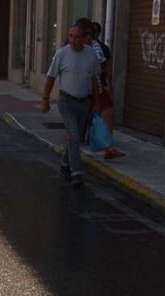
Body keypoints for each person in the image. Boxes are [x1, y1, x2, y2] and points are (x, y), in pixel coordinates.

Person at [40, 23, 101, 188]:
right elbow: (51, 77)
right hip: (67, 101)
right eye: (71, 36)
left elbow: (94, 79)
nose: (73, 40)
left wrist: (96, 102)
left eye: (77, 37)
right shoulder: (62, 54)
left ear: (84, 38)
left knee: (76, 137)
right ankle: (77, 172)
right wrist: (45, 98)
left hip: (85, 102)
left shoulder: (91, 55)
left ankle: (65, 163)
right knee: (73, 136)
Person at [89, 21, 124, 160]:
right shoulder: (76, 46)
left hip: (98, 87)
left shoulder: (101, 48)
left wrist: (109, 85)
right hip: (82, 90)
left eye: (94, 33)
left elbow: (107, 68)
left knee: (108, 112)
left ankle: (108, 147)